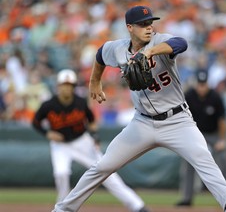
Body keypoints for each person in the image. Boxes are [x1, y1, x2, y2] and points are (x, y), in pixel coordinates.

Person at [52, 5, 226, 212]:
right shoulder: (117, 49)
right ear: (130, 27)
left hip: (177, 120)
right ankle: (63, 209)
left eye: (150, 23)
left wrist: (149, 52)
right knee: (103, 166)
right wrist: (94, 81)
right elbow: (100, 54)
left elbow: (181, 43)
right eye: (143, 24)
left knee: (203, 158)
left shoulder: (160, 41)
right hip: (142, 123)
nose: (149, 27)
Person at [32, 69, 149, 212]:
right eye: (64, 85)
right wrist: (47, 133)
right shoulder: (48, 105)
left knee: (107, 171)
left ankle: (137, 206)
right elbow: (35, 122)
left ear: (73, 87)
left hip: (82, 142)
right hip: (60, 146)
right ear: (58, 86)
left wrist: (95, 136)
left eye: (69, 85)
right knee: (61, 174)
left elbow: (91, 121)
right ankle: (62, 208)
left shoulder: (80, 102)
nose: (66, 88)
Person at [176, 69, 226, 207]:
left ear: (208, 83)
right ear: (196, 83)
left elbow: (222, 120)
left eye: (204, 84)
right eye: (200, 84)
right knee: (188, 163)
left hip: (213, 134)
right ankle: (187, 198)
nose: (202, 87)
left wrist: (223, 140)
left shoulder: (215, 96)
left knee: (224, 160)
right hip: (195, 133)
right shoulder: (189, 95)